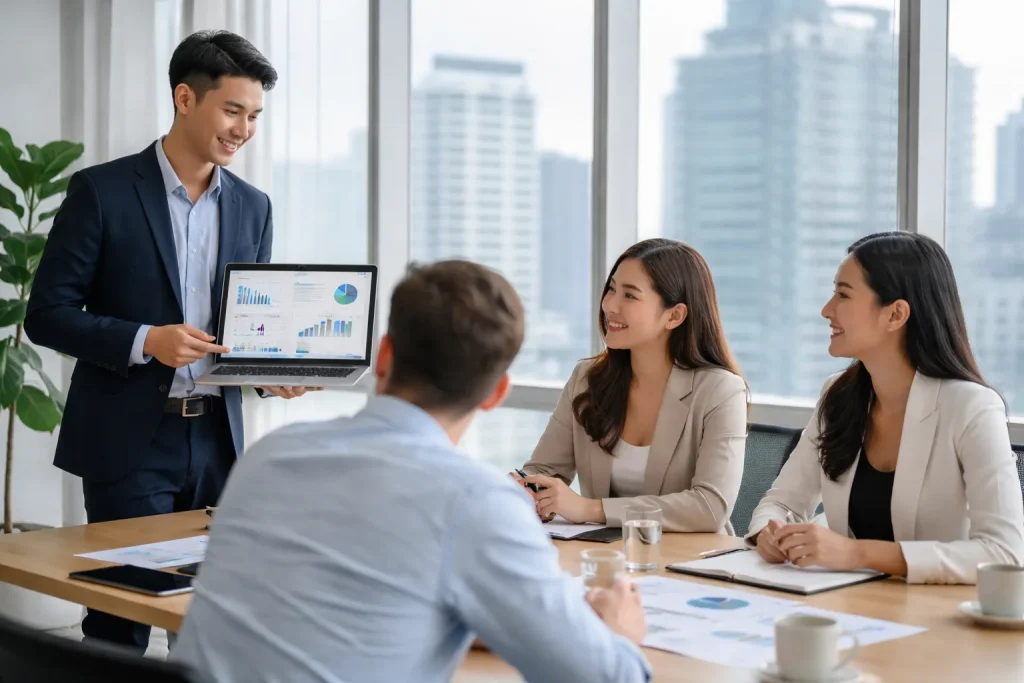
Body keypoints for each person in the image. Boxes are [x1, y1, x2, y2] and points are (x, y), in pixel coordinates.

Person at [170, 260, 651, 683]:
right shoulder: (475, 503)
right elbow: (605, 676)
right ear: (495, 394)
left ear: (383, 356)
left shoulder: (270, 455)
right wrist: (621, 633)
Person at [24, 30, 317, 651]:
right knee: (122, 618)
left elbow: (245, 328)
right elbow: (46, 315)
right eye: (233, 110)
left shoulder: (254, 207)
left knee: (210, 619)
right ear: (185, 98)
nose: (244, 129)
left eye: (255, 115)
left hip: (217, 440)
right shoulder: (100, 192)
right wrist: (143, 340)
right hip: (131, 440)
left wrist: (266, 370)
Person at [747, 232, 1024, 584]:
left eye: (843, 294)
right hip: (850, 606)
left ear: (895, 314)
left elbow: (1005, 552)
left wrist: (856, 553)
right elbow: (782, 502)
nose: (826, 310)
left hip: (937, 620)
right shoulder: (838, 395)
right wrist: (768, 535)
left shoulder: (971, 407)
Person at [516, 238, 748, 533]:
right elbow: (543, 470)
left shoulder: (720, 390)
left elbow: (709, 507)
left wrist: (591, 509)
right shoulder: (588, 378)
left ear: (674, 316)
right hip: (604, 556)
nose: (609, 304)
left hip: (688, 562)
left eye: (630, 296)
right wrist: (528, 489)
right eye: (612, 288)